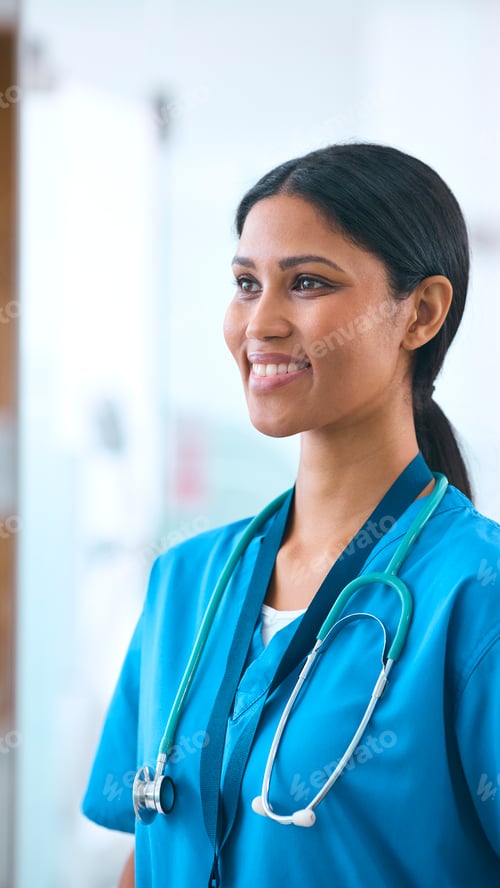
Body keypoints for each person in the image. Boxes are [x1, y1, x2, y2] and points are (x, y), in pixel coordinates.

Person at [82, 143, 500, 887]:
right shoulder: (185, 583)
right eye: (246, 284)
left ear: (422, 313)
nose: (261, 322)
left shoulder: (477, 595)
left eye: (306, 282)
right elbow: (144, 860)